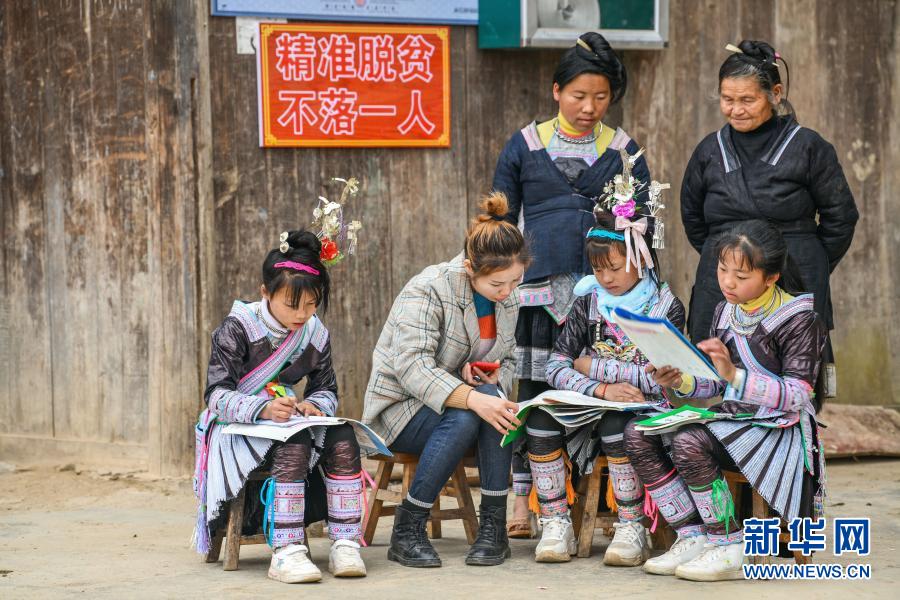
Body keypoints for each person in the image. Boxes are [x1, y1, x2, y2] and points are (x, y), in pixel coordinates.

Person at [491, 31, 650, 537]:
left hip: (601, 302)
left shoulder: (624, 151)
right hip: (536, 296)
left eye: (601, 97)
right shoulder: (524, 145)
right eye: (579, 95)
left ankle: (602, 508)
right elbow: (501, 222)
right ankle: (524, 503)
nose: (589, 107)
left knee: (603, 397)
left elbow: (644, 229)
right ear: (556, 90)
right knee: (534, 394)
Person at [626, 219, 827, 581]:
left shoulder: (800, 319)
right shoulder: (725, 311)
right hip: (733, 419)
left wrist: (736, 377)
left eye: (741, 275)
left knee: (688, 441)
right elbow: (716, 383)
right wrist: (680, 380)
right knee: (639, 433)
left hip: (777, 428)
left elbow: (798, 395)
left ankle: (729, 544)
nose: (728, 282)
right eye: (722, 270)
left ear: (771, 277)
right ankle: (692, 534)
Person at [524, 155, 684, 566]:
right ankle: (555, 522)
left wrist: (589, 365)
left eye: (614, 267)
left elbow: (660, 377)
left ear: (641, 257)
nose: (606, 278)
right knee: (539, 419)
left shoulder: (665, 307)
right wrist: (600, 388)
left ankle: (632, 526)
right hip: (593, 402)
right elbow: (555, 366)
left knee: (618, 425)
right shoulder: (589, 301)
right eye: (597, 269)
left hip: (643, 408)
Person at [363, 192, 531, 568]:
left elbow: (507, 359)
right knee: (475, 411)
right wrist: (472, 396)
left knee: (496, 407)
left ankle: (494, 529)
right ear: (470, 269)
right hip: (401, 409)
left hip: (457, 405)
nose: (507, 292)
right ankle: (408, 528)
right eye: (498, 284)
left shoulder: (509, 298)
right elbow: (411, 366)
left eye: (515, 280)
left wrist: (485, 374)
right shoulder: (429, 288)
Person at [192, 230, 367, 584]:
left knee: (343, 436)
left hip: (285, 419)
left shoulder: (315, 334)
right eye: (292, 304)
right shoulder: (237, 328)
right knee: (296, 441)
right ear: (265, 292)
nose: (302, 314)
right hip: (236, 424)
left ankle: (345, 543)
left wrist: (314, 405)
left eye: (312, 304)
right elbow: (216, 395)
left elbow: (326, 387)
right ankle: (286, 550)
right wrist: (263, 409)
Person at [681, 40, 857, 389]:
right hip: (726, 275)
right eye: (727, 99)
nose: (736, 110)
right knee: (715, 374)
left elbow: (841, 217)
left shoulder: (809, 146)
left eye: (747, 100)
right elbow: (693, 218)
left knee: (795, 375)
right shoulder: (709, 150)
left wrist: (804, 262)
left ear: (775, 94)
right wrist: (734, 263)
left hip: (793, 271)